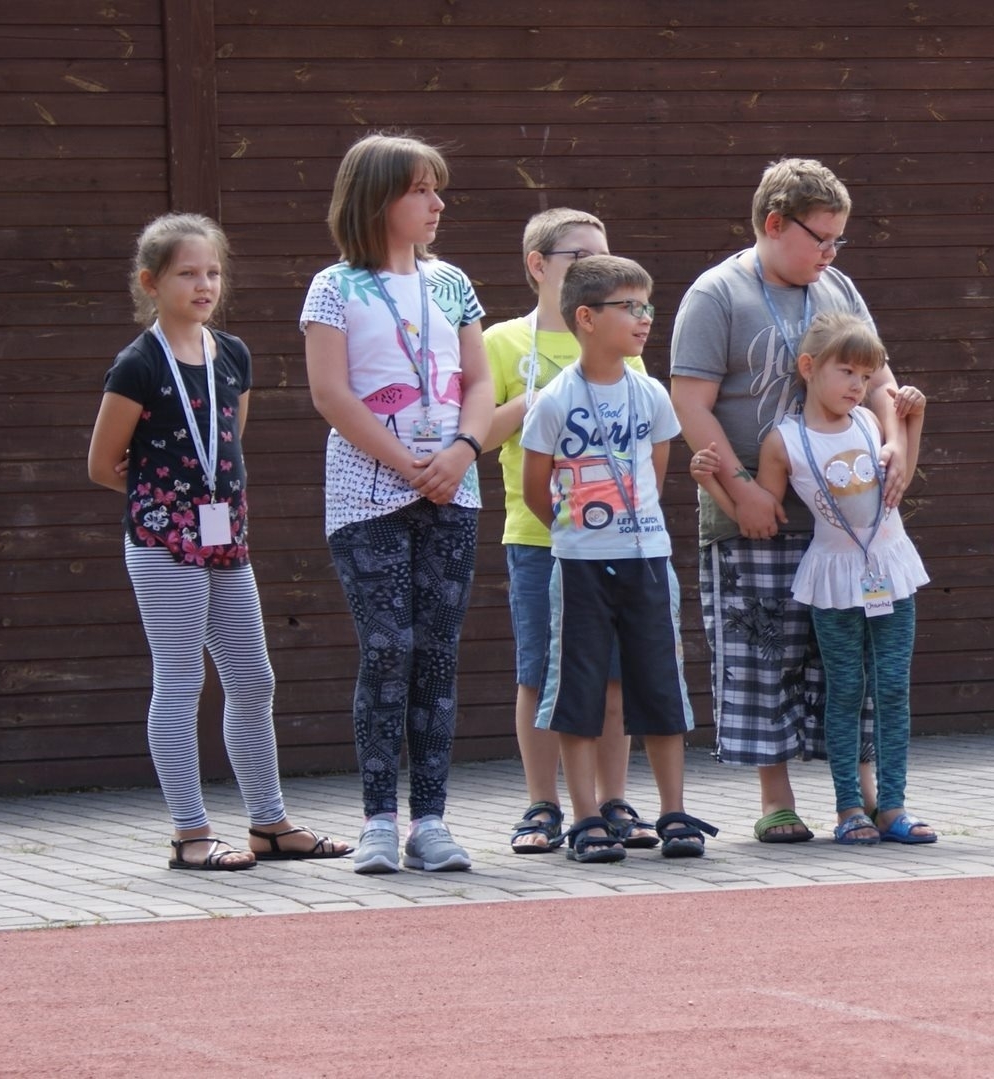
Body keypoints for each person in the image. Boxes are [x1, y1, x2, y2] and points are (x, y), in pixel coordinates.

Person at [86, 214, 350, 871]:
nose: (204, 284)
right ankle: (189, 831)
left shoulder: (232, 353)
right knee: (179, 680)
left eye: (212, 272)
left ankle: (269, 822)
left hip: (227, 537)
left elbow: (228, 442)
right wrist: (163, 500)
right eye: (187, 272)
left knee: (253, 678)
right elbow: (102, 461)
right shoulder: (139, 363)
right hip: (162, 543)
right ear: (151, 282)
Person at [669, 158, 920, 843]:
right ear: (774, 224)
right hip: (759, 507)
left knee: (853, 656)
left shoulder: (835, 286)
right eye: (820, 238)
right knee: (763, 651)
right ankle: (776, 797)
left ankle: (869, 792)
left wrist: (894, 440)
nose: (830, 253)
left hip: (849, 515)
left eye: (839, 240)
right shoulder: (716, 294)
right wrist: (743, 489)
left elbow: (880, 379)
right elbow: (690, 400)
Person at [300, 133, 494, 873]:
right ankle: (379, 818)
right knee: (389, 649)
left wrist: (460, 453)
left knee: (438, 655)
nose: (437, 203)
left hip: (453, 487)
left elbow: (477, 383)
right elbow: (329, 392)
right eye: (421, 190)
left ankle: (432, 820)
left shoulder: (453, 283)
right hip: (368, 493)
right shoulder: (333, 286)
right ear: (379, 199)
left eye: (437, 189)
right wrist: (407, 463)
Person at [693, 314, 934, 844]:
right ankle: (849, 807)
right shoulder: (784, 441)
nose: (857, 385)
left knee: (891, 688)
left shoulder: (873, 424)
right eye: (846, 371)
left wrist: (911, 421)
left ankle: (892, 805)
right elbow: (761, 513)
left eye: (866, 376)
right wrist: (712, 481)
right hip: (832, 580)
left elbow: (899, 482)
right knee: (846, 688)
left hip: (891, 572)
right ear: (809, 368)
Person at [521, 255, 717, 859]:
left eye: (646, 307)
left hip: (647, 559)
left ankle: (674, 812)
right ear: (585, 318)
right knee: (577, 688)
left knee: (659, 683)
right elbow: (535, 488)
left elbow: (653, 476)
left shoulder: (651, 393)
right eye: (628, 308)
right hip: (580, 563)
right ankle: (585, 817)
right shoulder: (553, 401)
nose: (643, 319)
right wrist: (574, 533)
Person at [482, 208, 663, 853]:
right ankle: (542, 806)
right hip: (539, 541)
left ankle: (613, 801)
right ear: (538, 266)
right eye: (577, 258)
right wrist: (540, 401)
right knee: (541, 674)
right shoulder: (502, 342)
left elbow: (645, 447)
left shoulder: (625, 343)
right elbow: (477, 433)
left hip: (615, 542)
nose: (593, 270)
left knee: (612, 676)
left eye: (602, 258)